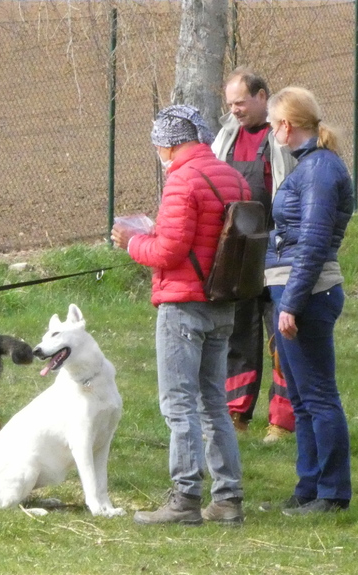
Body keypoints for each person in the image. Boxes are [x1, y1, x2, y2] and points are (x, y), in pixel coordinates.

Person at [111, 104, 248, 526]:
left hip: (183, 304)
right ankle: (228, 499)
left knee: (179, 404)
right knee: (215, 404)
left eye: (158, 145)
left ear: (168, 145)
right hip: (222, 302)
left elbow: (169, 252)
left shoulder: (182, 180)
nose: (159, 153)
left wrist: (132, 241)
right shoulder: (234, 177)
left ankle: (185, 498)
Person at [264, 87, 354, 514]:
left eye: (273, 124)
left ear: (286, 125)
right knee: (300, 399)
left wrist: (291, 304)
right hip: (293, 289)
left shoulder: (319, 169)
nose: (271, 132)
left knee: (318, 397)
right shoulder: (309, 165)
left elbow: (314, 241)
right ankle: (308, 487)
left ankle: (332, 493)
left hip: (309, 293)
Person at [213, 68, 297, 443]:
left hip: (278, 251)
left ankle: (282, 422)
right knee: (238, 337)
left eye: (241, 102)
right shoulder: (225, 138)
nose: (234, 110)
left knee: (282, 338)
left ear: (262, 97)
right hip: (238, 255)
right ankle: (236, 413)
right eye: (230, 104)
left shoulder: (284, 137)